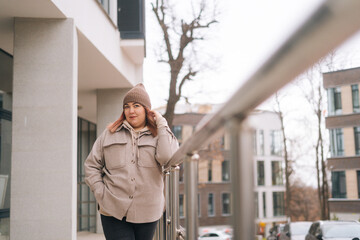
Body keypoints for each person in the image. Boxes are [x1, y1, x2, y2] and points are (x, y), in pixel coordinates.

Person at [84, 83, 179, 240]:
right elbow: (91, 165)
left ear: (146, 109)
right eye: (127, 106)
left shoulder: (160, 135)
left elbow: (166, 158)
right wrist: (100, 193)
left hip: (148, 212)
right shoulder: (109, 134)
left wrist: (161, 123)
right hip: (113, 210)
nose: (131, 111)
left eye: (136, 105)